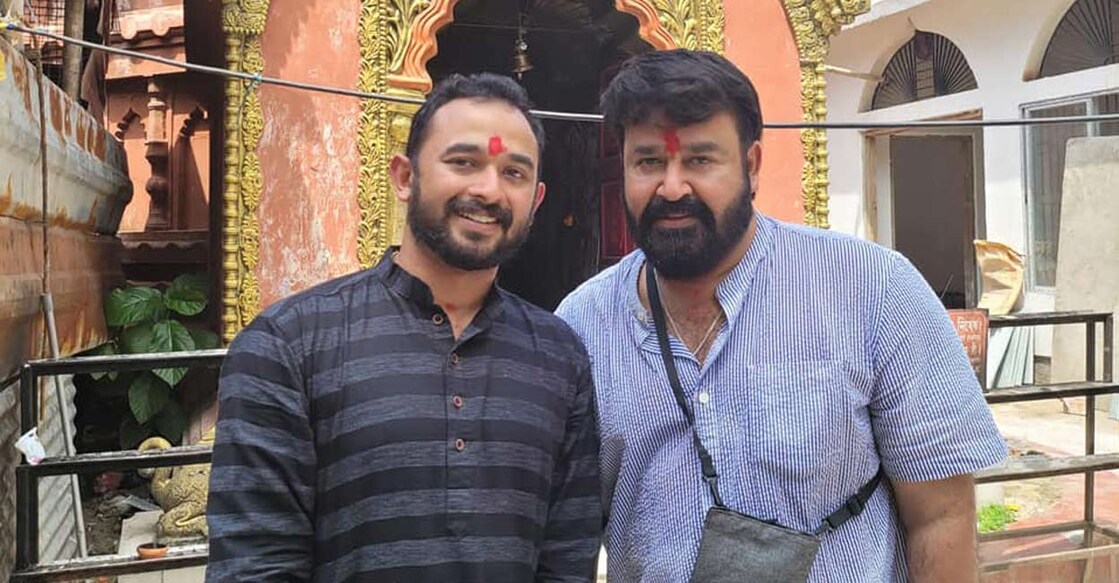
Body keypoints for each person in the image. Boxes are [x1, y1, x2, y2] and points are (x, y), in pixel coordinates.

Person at [556, 49, 1006, 582]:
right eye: (649, 161)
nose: (672, 187)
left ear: (751, 166)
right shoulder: (583, 324)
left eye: (700, 160)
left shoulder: (872, 288)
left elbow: (941, 514)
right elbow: (567, 539)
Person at [206, 73, 602, 582]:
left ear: (537, 200)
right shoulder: (288, 344)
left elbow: (567, 560)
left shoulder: (557, 355)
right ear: (404, 177)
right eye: (463, 163)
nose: (488, 190)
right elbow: (255, 565)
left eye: (514, 173)